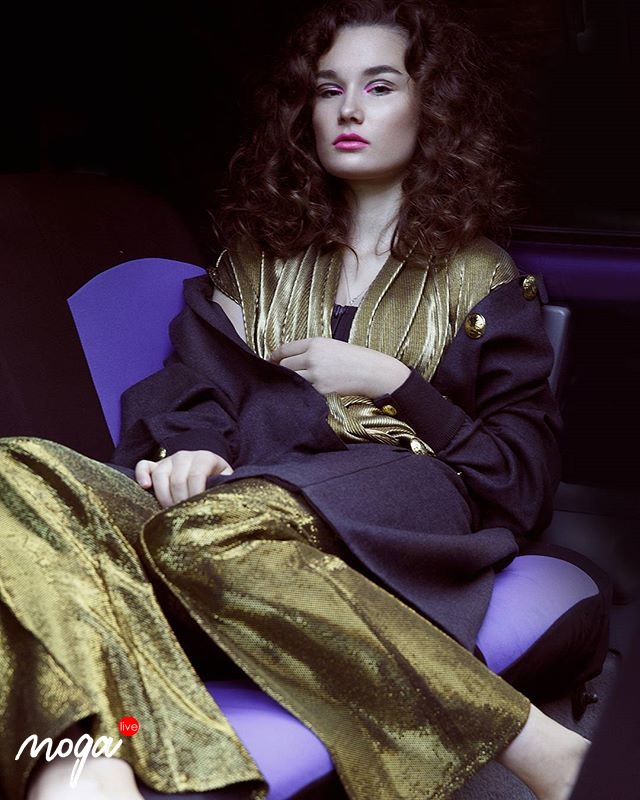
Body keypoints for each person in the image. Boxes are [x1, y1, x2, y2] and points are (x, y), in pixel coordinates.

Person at [0, 1, 591, 799]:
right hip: (232, 506)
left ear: (432, 109)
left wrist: (394, 384)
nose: (349, 109)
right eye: (328, 89)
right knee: (18, 471)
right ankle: (93, 764)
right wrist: (190, 449)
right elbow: (193, 387)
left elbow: (520, 481)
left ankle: (537, 749)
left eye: (379, 86)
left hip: (402, 495)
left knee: (207, 531)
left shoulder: (483, 277)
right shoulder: (254, 262)